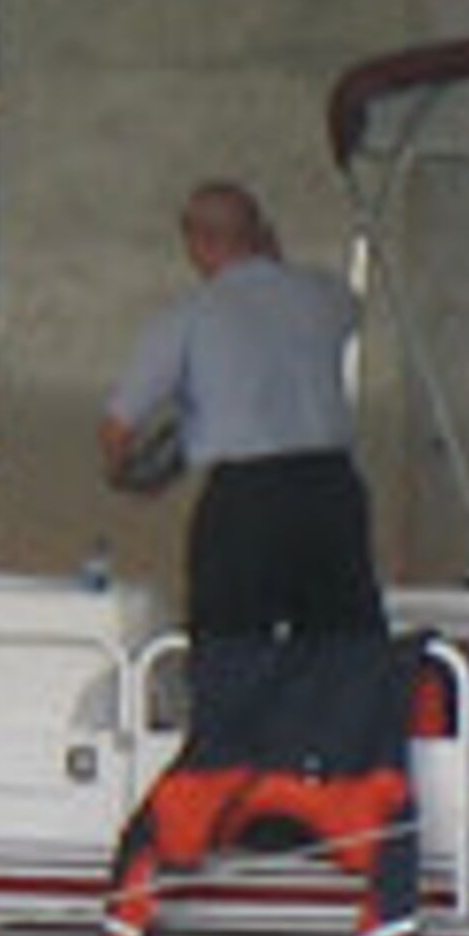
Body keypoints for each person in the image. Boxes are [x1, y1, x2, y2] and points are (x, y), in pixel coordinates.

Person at [98, 179, 383, 649]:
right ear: (263, 233)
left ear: (197, 241)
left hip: (248, 497)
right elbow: (352, 312)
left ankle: (238, 721)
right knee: (340, 649)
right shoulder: (323, 295)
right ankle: (337, 719)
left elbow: (119, 425)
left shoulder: (187, 317)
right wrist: (272, 256)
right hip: (331, 490)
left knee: (230, 647)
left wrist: (123, 474)